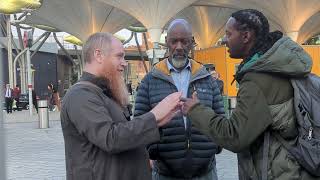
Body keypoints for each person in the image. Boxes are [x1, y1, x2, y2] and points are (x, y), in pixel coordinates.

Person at [181, 9, 317, 180]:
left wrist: (195, 110)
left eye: (229, 34)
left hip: (276, 173)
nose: (224, 40)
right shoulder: (277, 65)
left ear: (246, 36)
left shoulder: (256, 80)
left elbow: (235, 136)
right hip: (293, 168)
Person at [60, 32, 183, 180]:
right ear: (98, 55)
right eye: (119, 56)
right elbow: (110, 139)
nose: (124, 63)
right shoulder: (80, 95)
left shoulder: (103, 92)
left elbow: (123, 135)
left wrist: (157, 122)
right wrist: (154, 115)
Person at [134, 19, 225, 180]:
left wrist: (213, 147)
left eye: (185, 41)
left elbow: (220, 119)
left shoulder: (207, 78)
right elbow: (139, 123)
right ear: (166, 42)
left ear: (192, 43)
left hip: (205, 173)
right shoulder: (150, 80)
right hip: (165, 173)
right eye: (174, 41)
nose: (179, 47)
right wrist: (153, 150)